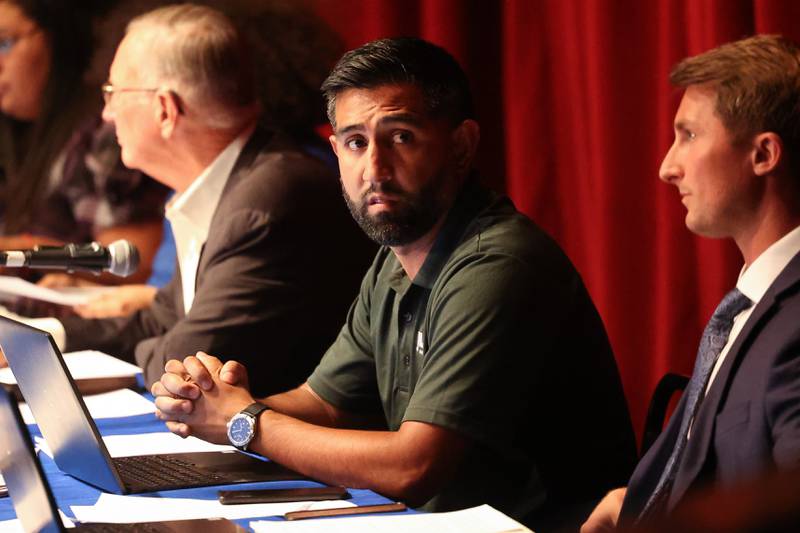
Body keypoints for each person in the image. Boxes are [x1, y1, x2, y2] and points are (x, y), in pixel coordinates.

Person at [153, 37, 637, 530]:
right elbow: (325, 403)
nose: (375, 170)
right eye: (357, 143)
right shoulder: (397, 256)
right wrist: (212, 403)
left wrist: (246, 424)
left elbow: (414, 465)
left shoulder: (498, 264)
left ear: (461, 145)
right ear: (337, 151)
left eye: (401, 137)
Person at [4, 3, 372, 397]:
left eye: (112, 93)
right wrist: (37, 337)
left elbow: (184, 359)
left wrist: (156, 346)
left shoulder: (269, 200)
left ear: (165, 108)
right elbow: (158, 321)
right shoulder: (227, 183)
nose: (107, 114)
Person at [581, 34, 800, 532]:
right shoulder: (754, 303)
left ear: (763, 154)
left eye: (690, 135)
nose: (667, 167)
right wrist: (630, 502)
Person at [0, 0, 166, 284]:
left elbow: (130, 264)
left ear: (58, 37)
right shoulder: (9, 132)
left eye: (4, 43)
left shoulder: (109, 128)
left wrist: (21, 251)